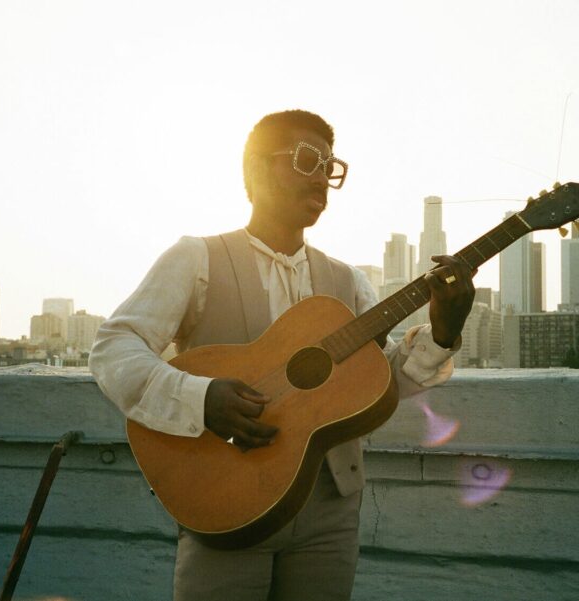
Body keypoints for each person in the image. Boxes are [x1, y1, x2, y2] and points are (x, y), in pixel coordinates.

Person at [89, 109, 475, 601]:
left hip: (330, 512)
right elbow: (115, 347)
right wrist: (200, 398)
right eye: (307, 159)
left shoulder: (347, 281)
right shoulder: (197, 258)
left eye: (329, 167)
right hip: (226, 496)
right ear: (255, 168)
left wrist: (443, 331)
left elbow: (381, 384)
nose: (321, 177)